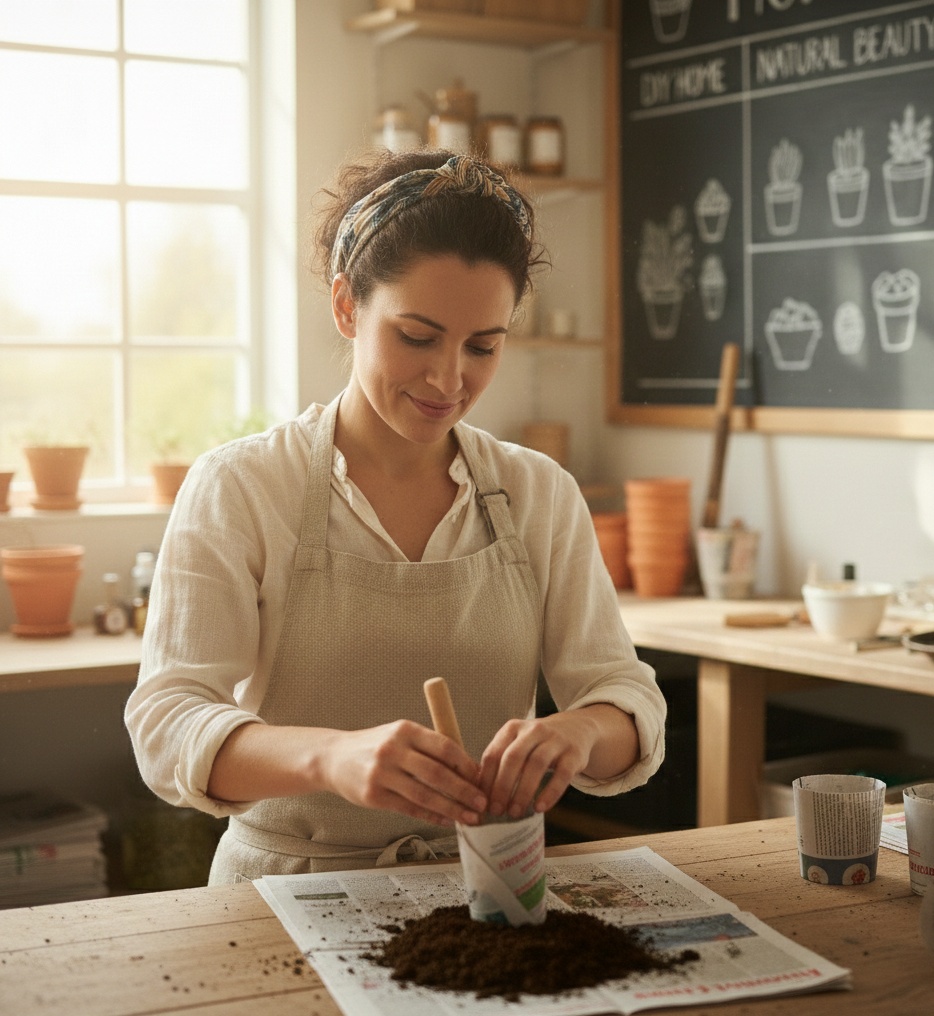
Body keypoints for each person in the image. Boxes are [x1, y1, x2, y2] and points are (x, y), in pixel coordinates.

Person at [125, 149, 666, 884]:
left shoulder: (538, 493)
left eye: (484, 346)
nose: (450, 379)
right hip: (286, 892)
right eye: (417, 337)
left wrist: (577, 733)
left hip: (488, 887)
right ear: (349, 306)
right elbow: (167, 723)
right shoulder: (243, 486)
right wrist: (329, 757)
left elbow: (626, 697)